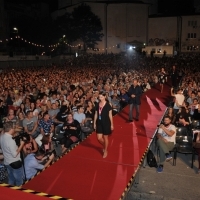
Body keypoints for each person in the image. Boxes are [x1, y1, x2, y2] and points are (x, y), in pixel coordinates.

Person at [0, 122, 25, 186]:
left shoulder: (2, 136)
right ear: (11, 129)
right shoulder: (10, 140)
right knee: (19, 180)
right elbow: (15, 154)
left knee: (11, 178)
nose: (14, 129)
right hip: (14, 163)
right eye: (14, 128)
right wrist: (21, 145)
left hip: (7, 162)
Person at [94, 92, 114, 158]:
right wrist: (94, 123)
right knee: (99, 138)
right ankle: (105, 145)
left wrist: (112, 124)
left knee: (105, 137)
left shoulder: (108, 105)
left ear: (105, 97)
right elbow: (96, 114)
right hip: (99, 122)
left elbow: (110, 115)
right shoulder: (97, 104)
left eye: (101, 97)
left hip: (106, 123)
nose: (100, 98)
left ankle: (105, 150)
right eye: (99, 97)